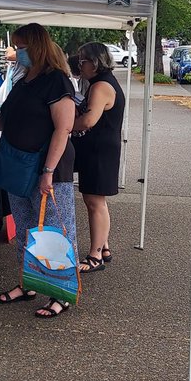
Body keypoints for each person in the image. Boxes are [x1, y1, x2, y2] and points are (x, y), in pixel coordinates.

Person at [0, 23, 77, 319]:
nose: (16, 52)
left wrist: (48, 171)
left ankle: (59, 293)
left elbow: (63, 128)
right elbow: (5, 122)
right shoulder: (23, 78)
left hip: (46, 168)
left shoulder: (57, 81)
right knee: (27, 230)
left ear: (36, 46)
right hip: (18, 167)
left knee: (52, 231)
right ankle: (28, 283)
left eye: (21, 46)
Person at [71, 42, 126, 273]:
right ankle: (103, 246)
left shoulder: (101, 86)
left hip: (99, 150)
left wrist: (65, 128)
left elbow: (88, 121)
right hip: (98, 148)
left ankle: (95, 256)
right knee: (95, 201)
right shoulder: (100, 83)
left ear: (94, 62)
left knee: (95, 202)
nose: (79, 64)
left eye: (82, 60)